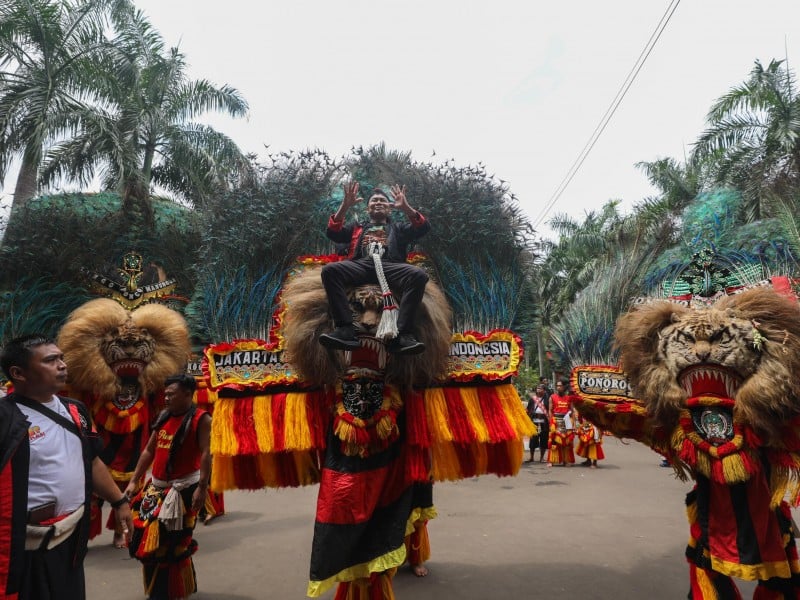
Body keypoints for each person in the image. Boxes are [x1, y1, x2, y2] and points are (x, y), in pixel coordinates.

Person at [0, 334, 133, 600]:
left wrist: (119, 501)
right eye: (50, 360)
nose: (62, 365)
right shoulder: (5, 418)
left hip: (71, 542)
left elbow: (92, 460)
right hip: (25, 551)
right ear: (18, 373)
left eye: (61, 358)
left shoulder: (77, 410)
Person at [125, 374, 211, 600]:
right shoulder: (164, 416)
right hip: (156, 488)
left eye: (171, 394)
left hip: (184, 490)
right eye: (166, 394)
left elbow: (206, 454)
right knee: (146, 539)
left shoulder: (201, 419)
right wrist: (135, 480)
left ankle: (168, 592)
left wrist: (202, 488)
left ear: (186, 394)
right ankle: (171, 589)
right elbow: (149, 451)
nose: (166, 398)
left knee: (174, 545)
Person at [319, 181, 430, 354]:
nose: (378, 202)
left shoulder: (398, 228)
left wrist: (407, 208)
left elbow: (422, 228)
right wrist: (344, 206)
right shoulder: (357, 228)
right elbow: (333, 233)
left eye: (382, 200)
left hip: (390, 265)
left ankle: (403, 335)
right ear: (367, 209)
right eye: (374, 200)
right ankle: (345, 329)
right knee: (330, 271)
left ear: (390, 208)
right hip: (361, 264)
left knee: (419, 275)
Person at [547, 378, 576, 467]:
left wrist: (573, 424)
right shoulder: (552, 397)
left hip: (566, 421)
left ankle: (565, 460)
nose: (558, 387)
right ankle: (551, 461)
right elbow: (550, 410)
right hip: (556, 420)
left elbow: (572, 411)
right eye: (557, 386)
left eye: (560, 386)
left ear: (564, 387)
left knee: (566, 442)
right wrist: (551, 422)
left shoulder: (569, 398)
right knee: (554, 441)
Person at [526, 384, 550, 462]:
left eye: (540, 388)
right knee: (533, 439)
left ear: (544, 390)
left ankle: (541, 458)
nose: (538, 389)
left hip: (544, 421)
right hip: (534, 420)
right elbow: (528, 410)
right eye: (537, 388)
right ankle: (531, 457)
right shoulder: (532, 399)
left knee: (544, 439)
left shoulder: (548, 399)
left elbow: (550, 410)